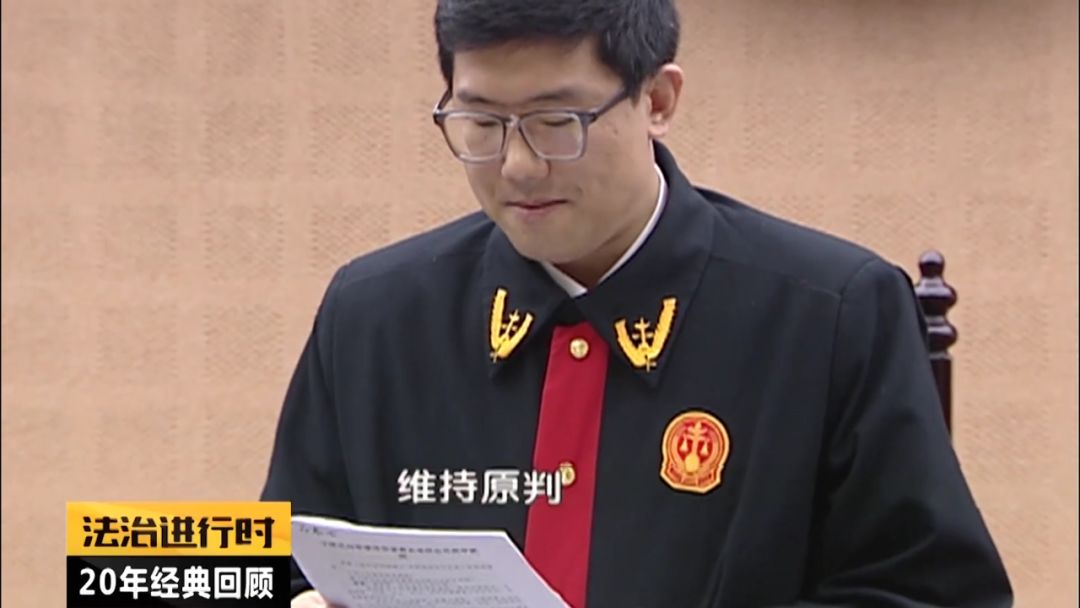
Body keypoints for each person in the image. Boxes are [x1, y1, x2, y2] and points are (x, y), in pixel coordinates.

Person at [262, 1, 1013, 606]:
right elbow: (257, 566)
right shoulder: (373, 315)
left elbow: (934, 593)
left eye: (557, 123)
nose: (517, 166)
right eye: (481, 124)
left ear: (657, 100)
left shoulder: (831, 313)